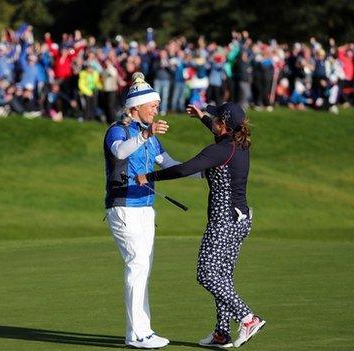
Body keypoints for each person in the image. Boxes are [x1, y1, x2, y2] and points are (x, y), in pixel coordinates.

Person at [136, 102, 265, 348]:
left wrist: (149, 176)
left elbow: (185, 169)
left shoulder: (220, 150)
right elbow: (219, 129)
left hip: (223, 221)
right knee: (223, 277)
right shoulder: (239, 142)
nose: (212, 119)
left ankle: (248, 318)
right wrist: (202, 117)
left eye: (215, 117)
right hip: (241, 219)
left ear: (223, 124)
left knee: (206, 274)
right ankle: (222, 334)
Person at [104, 72, 188, 349]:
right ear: (135, 108)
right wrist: (146, 133)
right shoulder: (119, 130)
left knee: (143, 268)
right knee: (137, 265)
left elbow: (168, 163)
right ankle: (136, 334)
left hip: (146, 208)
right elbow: (120, 152)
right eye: (152, 105)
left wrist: (202, 172)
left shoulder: (150, 137)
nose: (156, 109)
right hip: (124, 206)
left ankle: (144, 330)